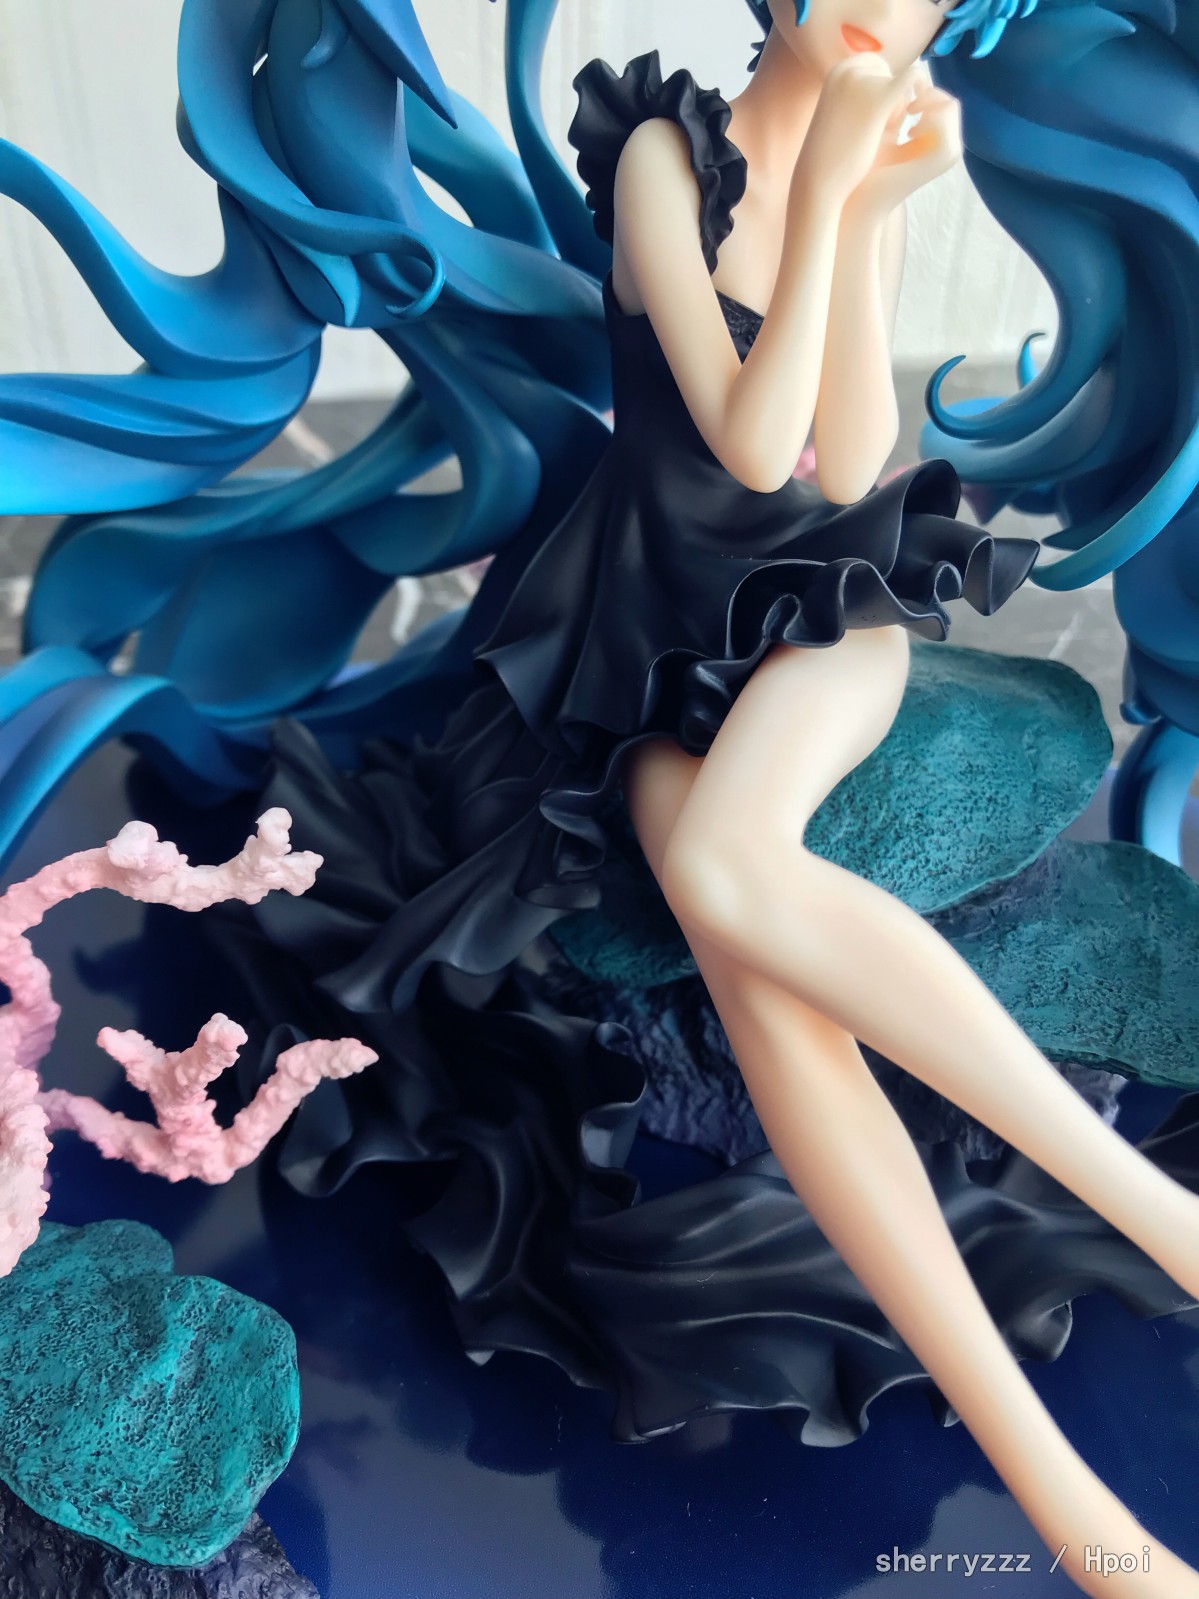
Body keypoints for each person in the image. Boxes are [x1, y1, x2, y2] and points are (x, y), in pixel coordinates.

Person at [2, 1, 1199, 1591]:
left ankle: (1148, 1218)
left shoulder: (880, 159)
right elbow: (741, 436)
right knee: (770, 1000)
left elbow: (845, 465)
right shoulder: (660, 150)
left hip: (824, 618)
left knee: (725, 872)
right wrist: (829, 195)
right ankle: (1090, 1524)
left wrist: (862, 214)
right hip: (646, 647)